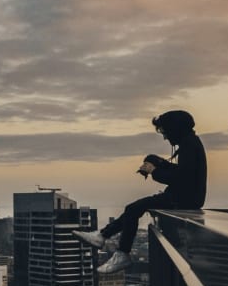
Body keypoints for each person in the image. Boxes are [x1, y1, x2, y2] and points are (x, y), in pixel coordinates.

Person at [75, 110, 207, 274]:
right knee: (135, 204)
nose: (165, 137)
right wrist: (155, 162)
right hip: (182, 197)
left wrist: (154, 171)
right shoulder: (190, 143)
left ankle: (119, 251)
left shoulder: (189, 146)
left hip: (183, 199)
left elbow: (181, 178)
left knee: (133, 208)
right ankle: (102, 236)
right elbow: (183, 173)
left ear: (175, 129)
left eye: (165, 131)